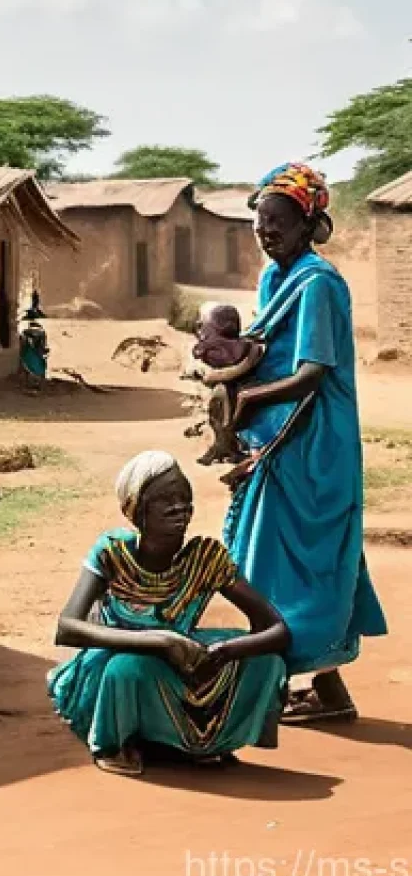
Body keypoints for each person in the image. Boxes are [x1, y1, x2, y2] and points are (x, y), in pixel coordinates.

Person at [224, 162, 388, 724]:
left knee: (311, 557)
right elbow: (259, 349)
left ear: (306, 225)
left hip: (316, 438)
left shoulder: (318, 283)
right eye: (260, 222)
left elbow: (312, 373)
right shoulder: (274, 279)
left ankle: (280, 680)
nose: (266, 232)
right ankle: (325, 688)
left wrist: (246, 399)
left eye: (277, 222)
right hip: (277, 433)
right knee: (274, 556)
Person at [48, 451, 290, 777]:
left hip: (178, 661)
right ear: (137, 509)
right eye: (165, 500)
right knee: (126, 669)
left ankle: (199, 743)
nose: (180, 507)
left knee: (268, 662)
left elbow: (275, 629)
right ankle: (117, 743)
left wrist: (225, 651)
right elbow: (67, 628)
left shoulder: (205, 557)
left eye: (185, 497)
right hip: (113, 667)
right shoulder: (113, 551)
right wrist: (159, 642)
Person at [192, 302, 265, 466]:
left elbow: (217, 372)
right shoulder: (242, 346)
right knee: (218, 417)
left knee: (225, 418)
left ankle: (228, 448)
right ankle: (223, 448)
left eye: (205, 325)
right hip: (228, 390)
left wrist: (215, 376)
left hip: (240, 391)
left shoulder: (241, 347)